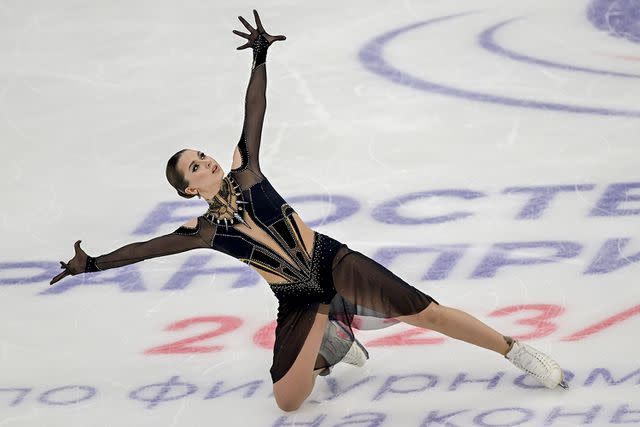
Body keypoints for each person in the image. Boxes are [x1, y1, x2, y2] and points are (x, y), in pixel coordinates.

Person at [49, 10, 567, 412]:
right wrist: (91, 264)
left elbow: (255, 112)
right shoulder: (200, 230)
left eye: (202, 155)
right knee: (289, 401)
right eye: (195, 166)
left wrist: (259, 59)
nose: (205, 160)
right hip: (296, 297)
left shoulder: (245, 168)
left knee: (427, 312)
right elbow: (144, 250)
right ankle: (333, 336)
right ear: (188, 189)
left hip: (331, 262)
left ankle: (515, 350)